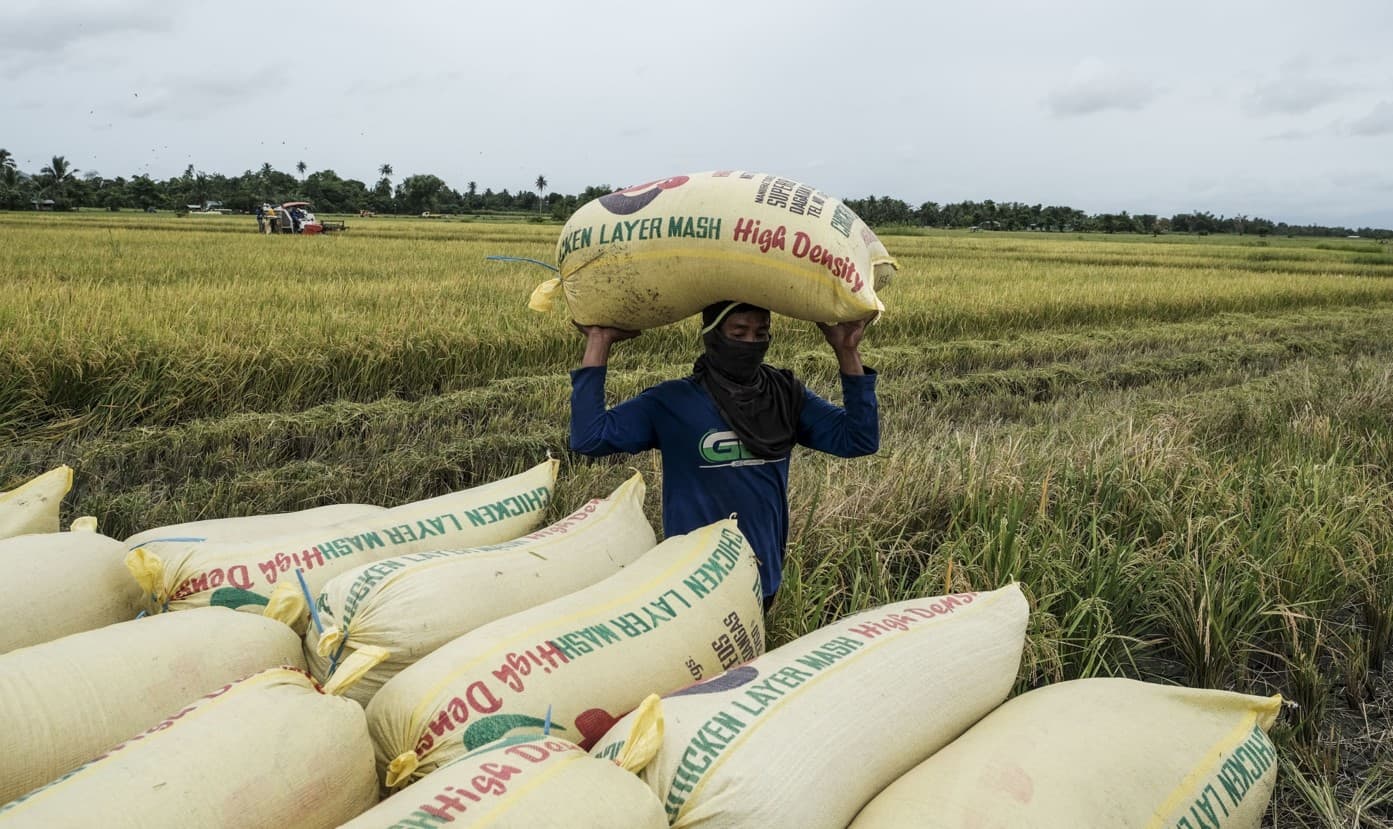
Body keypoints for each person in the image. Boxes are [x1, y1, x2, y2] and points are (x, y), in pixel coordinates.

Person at [570, 301, 879, 612]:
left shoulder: (785, 397)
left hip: (761, 576)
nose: (750, 344)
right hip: (690, 581)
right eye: (739, 333)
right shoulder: (673, 402)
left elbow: (858, 439)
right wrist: (599, 342)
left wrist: (846, 351)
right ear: (713, 335)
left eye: (761, 333)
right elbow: (590, 438)